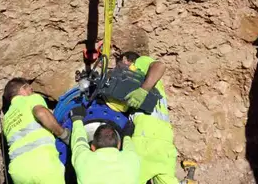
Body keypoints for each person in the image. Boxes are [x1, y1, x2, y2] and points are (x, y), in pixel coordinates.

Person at [117, 51, 179, 184]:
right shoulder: (151, 83)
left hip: (145, 137)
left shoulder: (140, 63)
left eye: (119, 66)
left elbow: (160, 66)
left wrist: (143, 90)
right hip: (165, 139)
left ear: (125, 60)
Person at [1, 78, 68, 184]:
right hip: (42, 162)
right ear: (23, 88)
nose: (32, 92)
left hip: (18, 173)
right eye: (31, 90)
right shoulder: (30, 99)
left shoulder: (6, 119)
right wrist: (64, 134)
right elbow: (41, 113)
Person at [70, 111, 141, 184]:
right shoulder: (132, 160)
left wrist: (77, 120)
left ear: (92, 147)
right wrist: (127, 136)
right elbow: (129, 148)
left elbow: (79, 143)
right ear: (119, 145)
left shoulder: (83, 160)